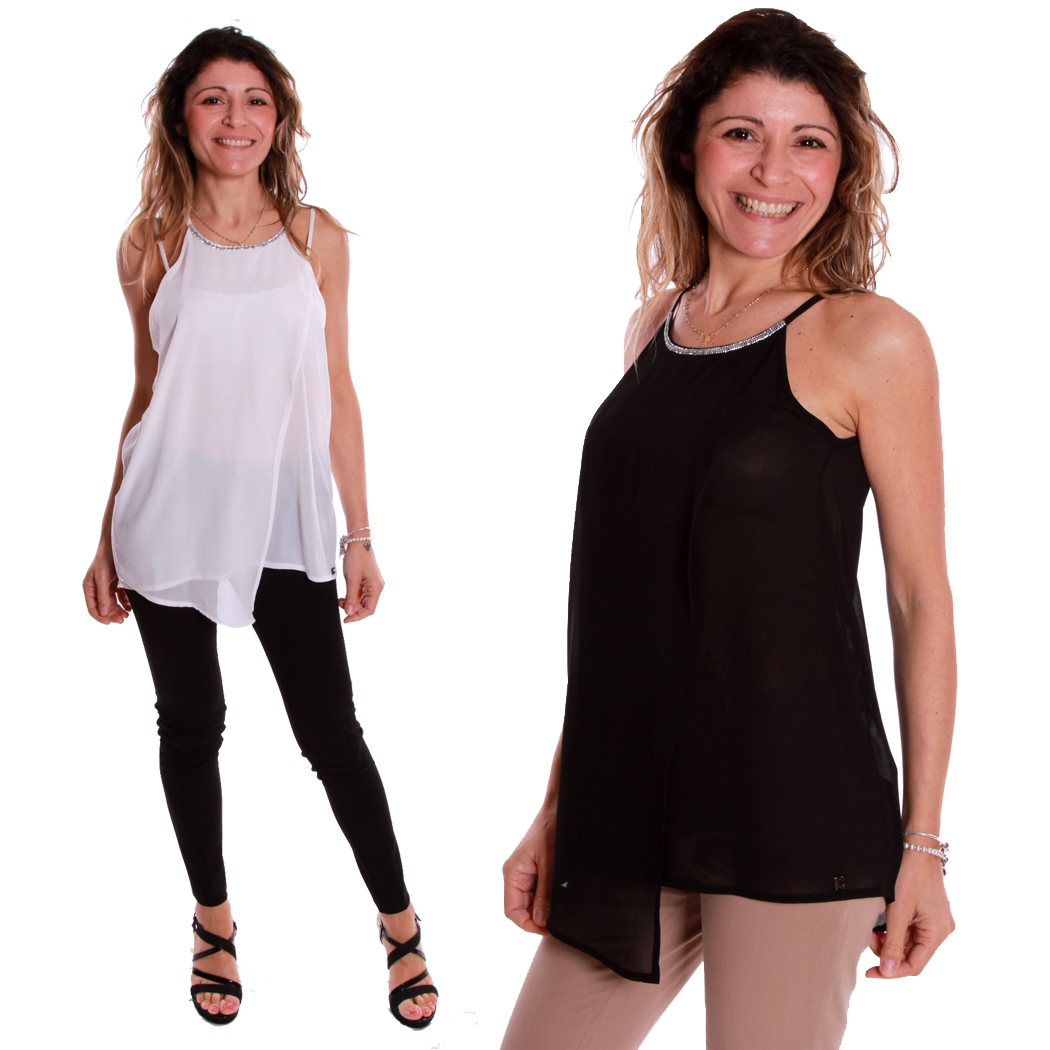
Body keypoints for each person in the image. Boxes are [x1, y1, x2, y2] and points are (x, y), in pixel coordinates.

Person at [500, 9, 955, 1048]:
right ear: (687, 147)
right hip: (633, 804)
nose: (772, 171)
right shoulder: (652, 331)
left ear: (842, 169)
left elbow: (919, 597)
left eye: (809, 141)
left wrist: (923, 844)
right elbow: (629, 612)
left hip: (796, 803)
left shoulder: (870, 339)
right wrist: (559, 805)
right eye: (741, 132)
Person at [82, 26, 437, 1029]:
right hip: (170, 515)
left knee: (332, 733)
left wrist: (358, 533)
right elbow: (146, 397)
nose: (234, 119)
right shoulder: (150, 243)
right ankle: (213, 921)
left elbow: (339, 391)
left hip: (282, 515)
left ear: (278, 120)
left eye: (254, 100)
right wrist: (105, 534)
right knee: (191, 725)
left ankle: (400, 923)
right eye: (212, 98)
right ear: (180, 117)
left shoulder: (316, 239)